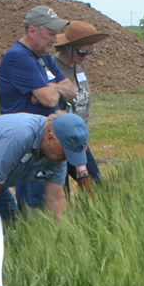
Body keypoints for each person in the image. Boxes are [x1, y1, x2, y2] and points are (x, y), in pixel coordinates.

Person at [0, 111, 91, 220]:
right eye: (66, 152)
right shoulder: (20, 136)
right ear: (50, 138)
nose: (67, 159)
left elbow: (56, 198)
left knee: (13, 230)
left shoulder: (57, 154)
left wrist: (66, 234)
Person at [52, 19, 109, 183]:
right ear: (68, 47)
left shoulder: (80, 65)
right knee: (62, 190)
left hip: (80, 138)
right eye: (81, 53)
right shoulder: (54, 67)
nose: (85, 57)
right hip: (62, 139)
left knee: (96, 185)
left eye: (89, 52)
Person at [0, 5, 76, 116]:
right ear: (32, 31)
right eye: (51, 34)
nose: (55, 40)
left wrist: (53, 87)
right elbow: (49, 100)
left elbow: (72, 90)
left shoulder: (43, 55)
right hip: (25, 131)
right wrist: (55, 90)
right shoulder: (19, 57)